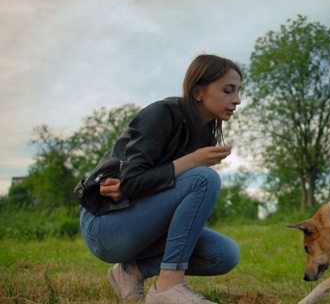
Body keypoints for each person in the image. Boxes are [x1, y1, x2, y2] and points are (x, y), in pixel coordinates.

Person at [79, 54, 243, 304]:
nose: (237, 100)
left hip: (144, 228)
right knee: (204, 178)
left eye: (238, 91)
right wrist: (192, 161)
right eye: (228, 91)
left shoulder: (204, 133)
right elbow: (131, 182)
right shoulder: (163, 113)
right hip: (105, 225)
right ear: (198, 92)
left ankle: (130, 271)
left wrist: (193, 163)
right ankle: (168, 287)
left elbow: (171, 195)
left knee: (225, 253)